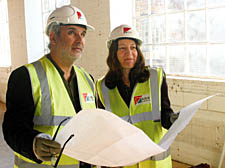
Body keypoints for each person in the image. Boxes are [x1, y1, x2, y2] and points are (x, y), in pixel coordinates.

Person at [2, 5, 96, 168]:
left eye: (83, 34)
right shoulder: (26, 76)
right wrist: (32, 144)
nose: (80, 40)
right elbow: (13, 127)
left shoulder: (87, 79)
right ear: (53, 37)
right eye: (72, 33)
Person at [96, 24, 179, 168]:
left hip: (154, 163)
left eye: (133, 47)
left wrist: (173, 120)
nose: (129, 53)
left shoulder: (155, 76)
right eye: (122, 48)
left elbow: (165, 113)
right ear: (113, 53)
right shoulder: (103, 86)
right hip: (124, 162)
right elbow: (105, 129)